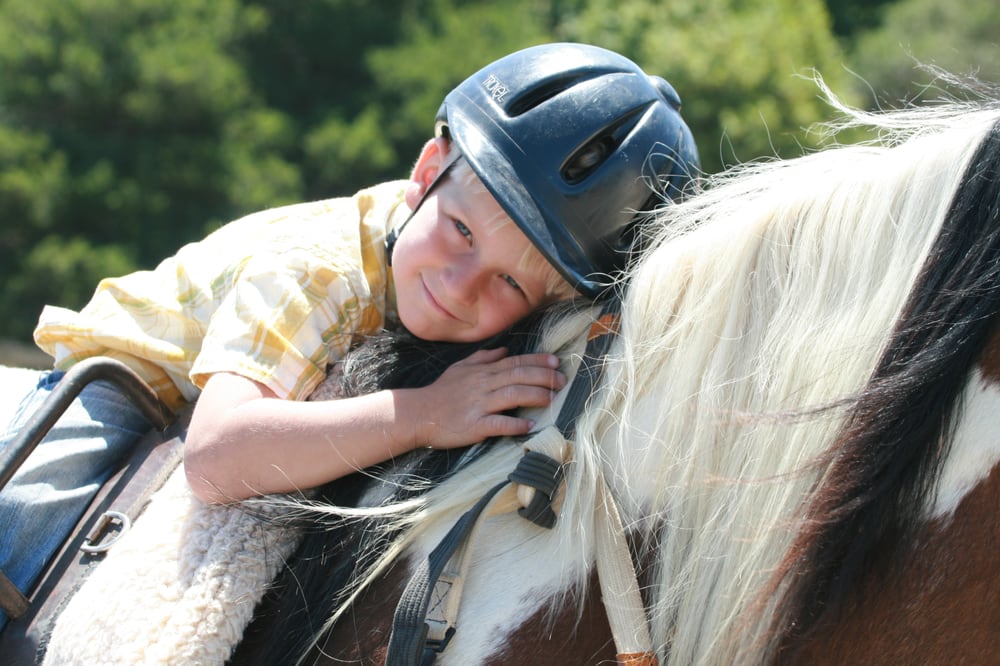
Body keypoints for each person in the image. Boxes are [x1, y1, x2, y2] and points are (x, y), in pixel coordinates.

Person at [0, 42, 699, 629]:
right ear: (428, 172)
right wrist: (427, 414)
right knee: (24, 524)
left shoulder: (449, 271)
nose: (459, 287)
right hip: (139, 381)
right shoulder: (317, 270)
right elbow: (215, 459)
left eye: (510, 286)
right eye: (459, 232)